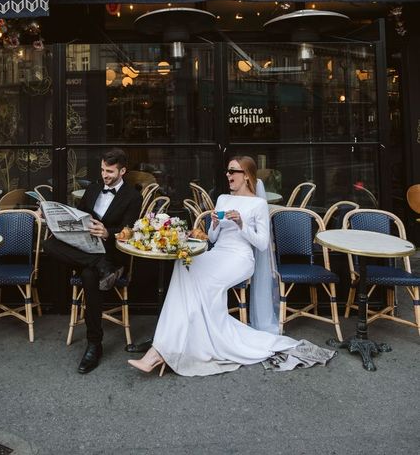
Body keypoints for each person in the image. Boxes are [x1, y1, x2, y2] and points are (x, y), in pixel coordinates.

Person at [128, 155, 335, 377]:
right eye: (227, 171)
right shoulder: (223, 199)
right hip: (219, 253)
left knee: (201, 285)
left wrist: (241, 224)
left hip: (240, 258)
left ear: (246, 176)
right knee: (183, 263)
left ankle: (163, 350)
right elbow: (214, 238)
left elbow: (262, 243)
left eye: (232, 171)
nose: (228, 175)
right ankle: (167, 347)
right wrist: (215, 225)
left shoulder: (258, 204)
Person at [44, 148, 142, 374]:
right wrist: (54, 218)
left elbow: (130, 230)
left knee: (89, 276)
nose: (104, 175)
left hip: (111, 251)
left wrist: (107, 231)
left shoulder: (132, 196)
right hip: (86, 248)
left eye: (110, 171)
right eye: (102, 169)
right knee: (48, 244)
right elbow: (78, 215)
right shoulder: (94, 187)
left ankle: (94, 344)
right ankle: (99, 266)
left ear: (122, 171)